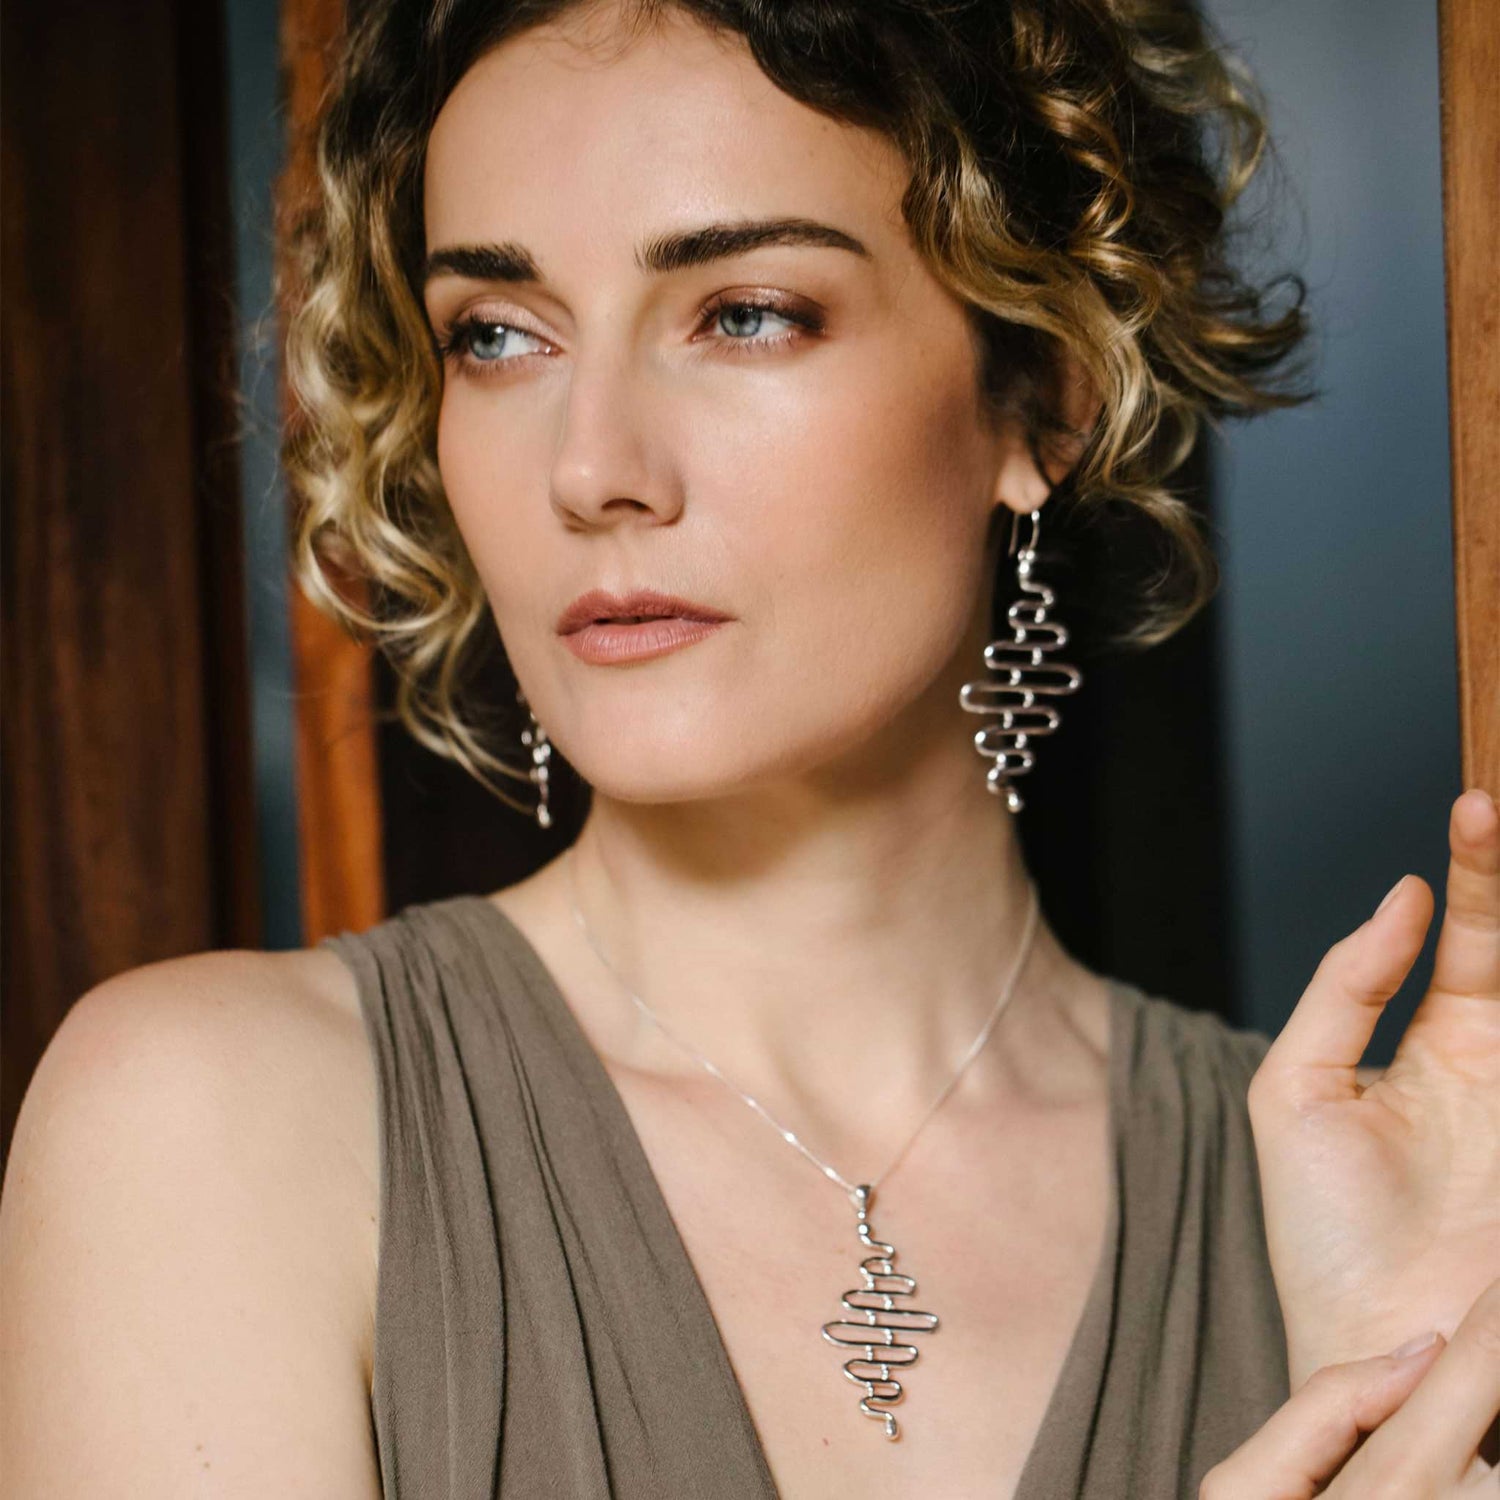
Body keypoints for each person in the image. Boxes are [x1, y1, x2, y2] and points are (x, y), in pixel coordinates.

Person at [2, 0, 1496, 1495]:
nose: (593, 468)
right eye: (499, 335)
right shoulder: (214, 1121)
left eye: (747, 314)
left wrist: (1421, 1384)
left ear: (1045, 389)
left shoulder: (1341, 1200)